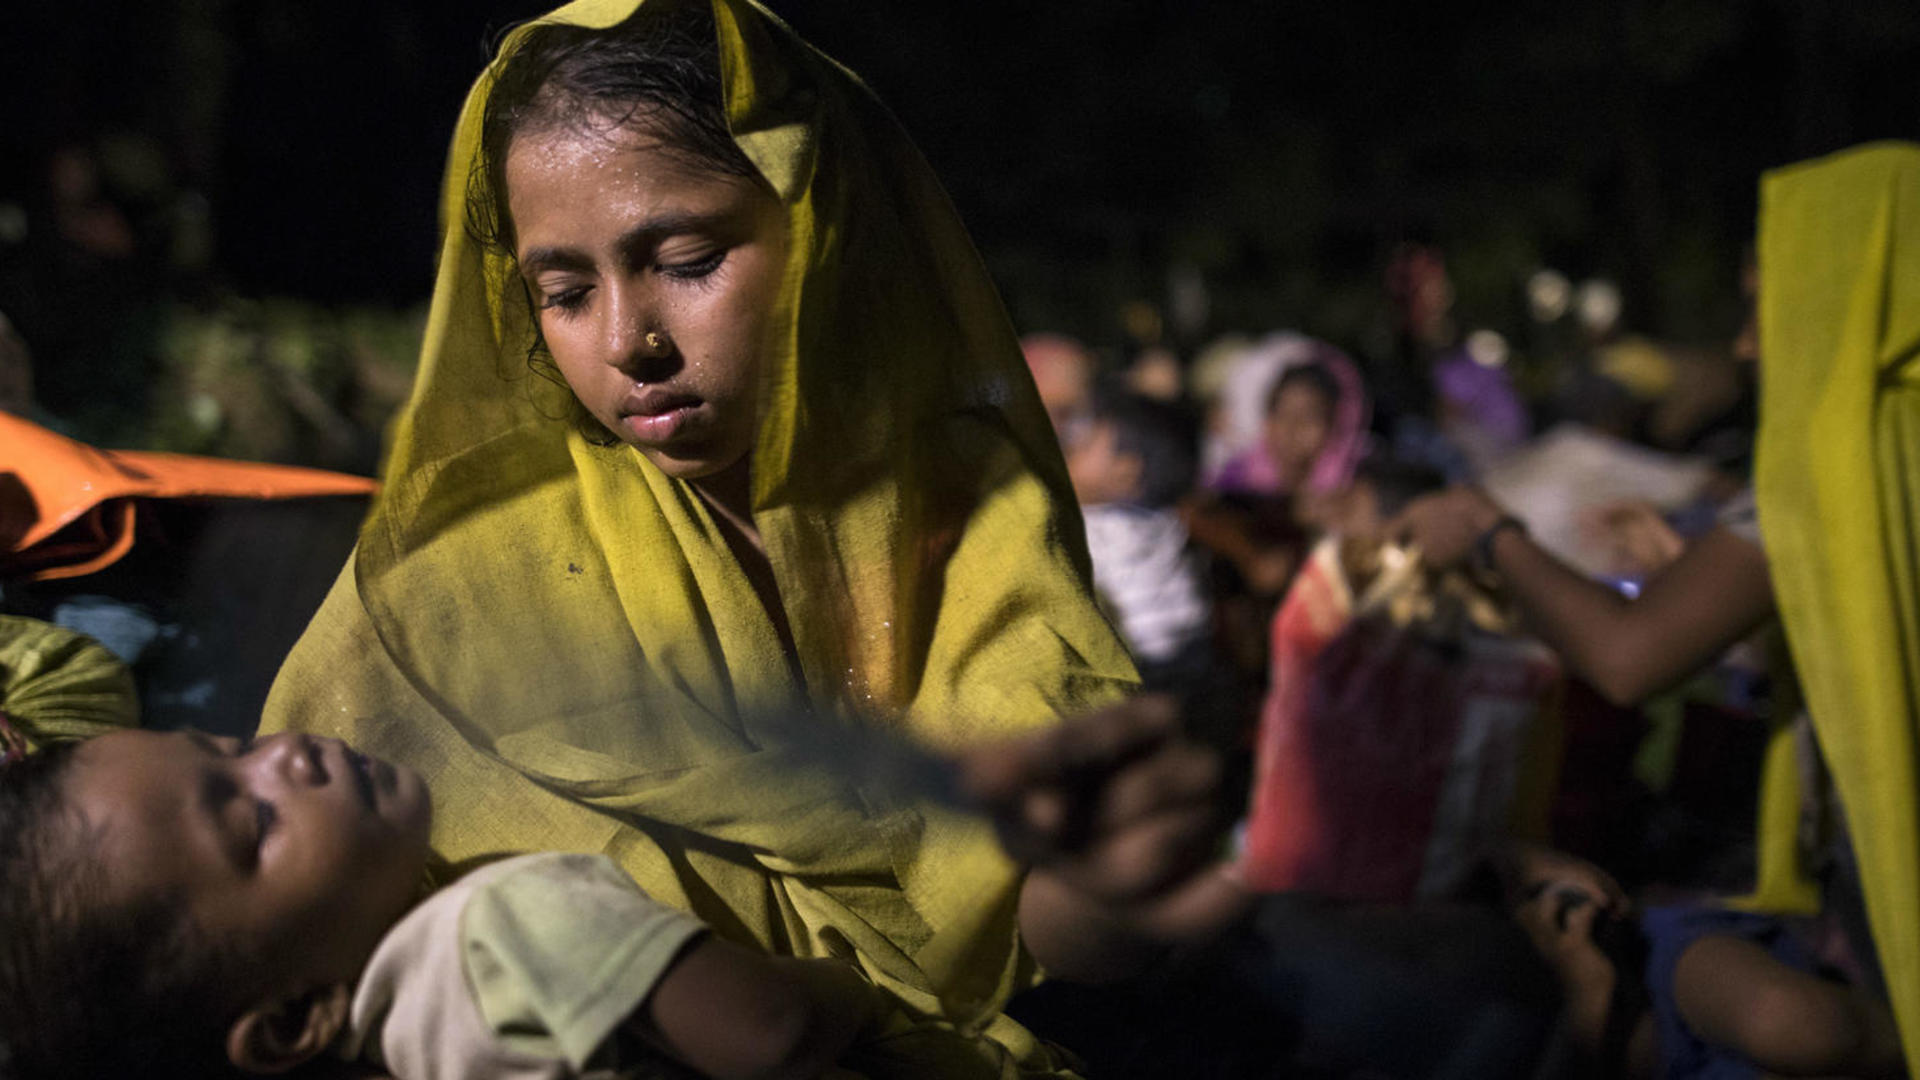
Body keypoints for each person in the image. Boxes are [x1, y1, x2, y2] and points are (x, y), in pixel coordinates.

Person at [260, 3, 1241, 1075]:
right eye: (565, 292)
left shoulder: (965, 503)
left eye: (684, 259)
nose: (628, 341)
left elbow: (1049, 922)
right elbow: (267, 927)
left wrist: (1106, 876)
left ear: (825, 229)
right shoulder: (448, 574)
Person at [1391, 143, 1920, 1072]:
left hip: (1879, 909)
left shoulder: (1833, 469)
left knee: (1770, 1014)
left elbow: (1628, 658)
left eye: (1766, 309)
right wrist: (1701, 577)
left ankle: (1621, 1020)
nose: (1749, 346)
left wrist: (1488, 535)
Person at [0, 724, 880, 1079]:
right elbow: (774, 1031)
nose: (287, 753)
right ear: (295, 1017)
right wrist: (860, 984)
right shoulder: (501, 924)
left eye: (229, 744)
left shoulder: (403, 1050)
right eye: (255, 826)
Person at [1504, 846, 1903, 1080]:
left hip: (1631, 952)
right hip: (1595, 1037)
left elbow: (1497, 854)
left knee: (1795, 1022)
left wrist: (1532, 868)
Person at [1063, 391, 1211, 696]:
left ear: (1124, 473)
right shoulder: (1161, 521)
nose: (1070, 447)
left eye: (1087, 443)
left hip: (1134, 676)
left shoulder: (1086, 529)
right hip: (1192, 661)